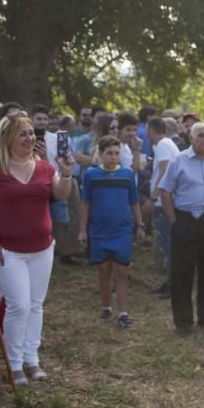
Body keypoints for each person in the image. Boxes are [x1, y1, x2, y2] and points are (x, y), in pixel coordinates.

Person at [0, 114, 74, 385]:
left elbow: (61, 194)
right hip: (7, 249)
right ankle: (14, 364)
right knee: (18, 305)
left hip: (42, 247)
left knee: (35, 305)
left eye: (32, 133)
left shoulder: (45, 167)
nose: (30, 138)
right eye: (23, 133)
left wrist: (66, 172)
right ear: (8, 136)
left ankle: (31, 359)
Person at [158, 122, 204, 334]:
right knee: (182, 274)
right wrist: (174, 222)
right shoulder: (178, 161)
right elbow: (165, 192)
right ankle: (183, 322)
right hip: (187, 221)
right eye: (200, 135)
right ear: (191, 139)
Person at [79, 135, 145, 329]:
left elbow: (134, 201)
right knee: (103, 270)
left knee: (122, 270)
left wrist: (139, 225)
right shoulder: (91, 175)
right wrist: (82, 229)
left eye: (116, 153)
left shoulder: (126, 174)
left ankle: (123, 312)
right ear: (100, 154)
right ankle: (106, 305)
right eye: (109, 153)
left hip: (122, 229)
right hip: (99, 229)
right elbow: (86, 202)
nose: (113, 157)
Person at [147, 117, 180, 294]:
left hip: (163, 202)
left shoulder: (163, 145)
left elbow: (165, 168)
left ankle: (174, 284)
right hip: (165, 200)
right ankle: (170, 281)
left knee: (168, 243)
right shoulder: (167, 144)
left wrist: (154, 196)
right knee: (166, 242)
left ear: (151, 130)